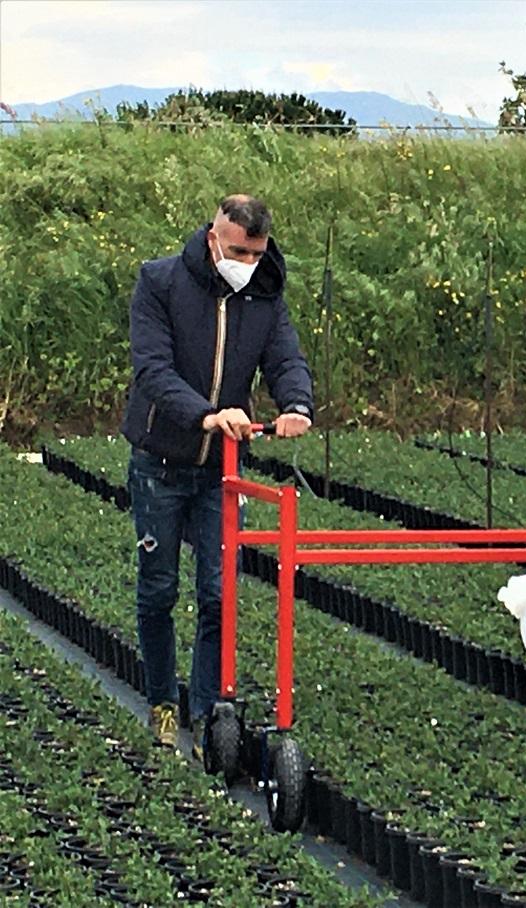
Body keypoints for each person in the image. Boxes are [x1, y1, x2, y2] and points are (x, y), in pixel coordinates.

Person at [120, 195, 313, 759]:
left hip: (222, 470)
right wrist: (205, 413)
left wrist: (297, 402)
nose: (245, 261)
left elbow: (284, 359)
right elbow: (152, 369)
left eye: (255, 252)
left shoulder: (265, 294)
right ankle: (161, 701)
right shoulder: (160, 282)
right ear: (213, 237)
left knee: (218, 593)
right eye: (236, 250)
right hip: (160, 461)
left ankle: (208, 712)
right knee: (158, 588)